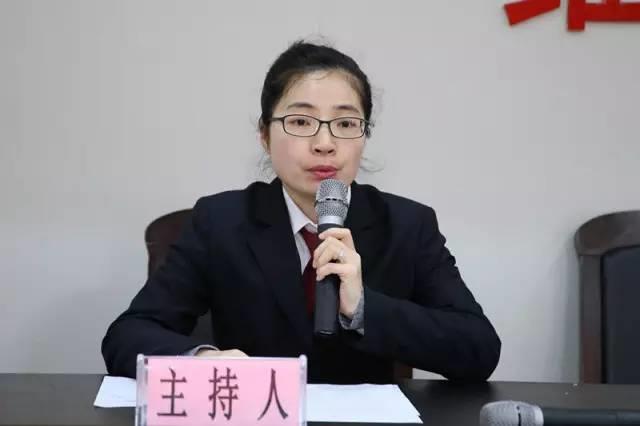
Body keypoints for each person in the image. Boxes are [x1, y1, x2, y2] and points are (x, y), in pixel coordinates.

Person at [102, 40, 501, 384]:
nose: (325, 143)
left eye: (345, 123)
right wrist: (202, 360)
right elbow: (128, 334)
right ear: (264, 134)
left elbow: (479, 349)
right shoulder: (220, 222)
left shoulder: (407, 225)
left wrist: (363, 307)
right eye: (300, 121)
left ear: (364, 135)